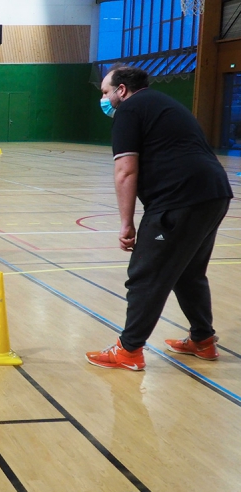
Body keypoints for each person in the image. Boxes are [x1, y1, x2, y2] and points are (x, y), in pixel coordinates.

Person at [86, 65, 233, 371]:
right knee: (188, 272)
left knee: (146, 274)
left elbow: (126, 170)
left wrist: (127, 224)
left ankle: (128, 349)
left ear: (121, 90)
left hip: (178, 200)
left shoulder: (129, 110)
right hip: (214, 193)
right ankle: (202, 339)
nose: (104, 99)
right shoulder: (164, 104)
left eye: (105, 92)